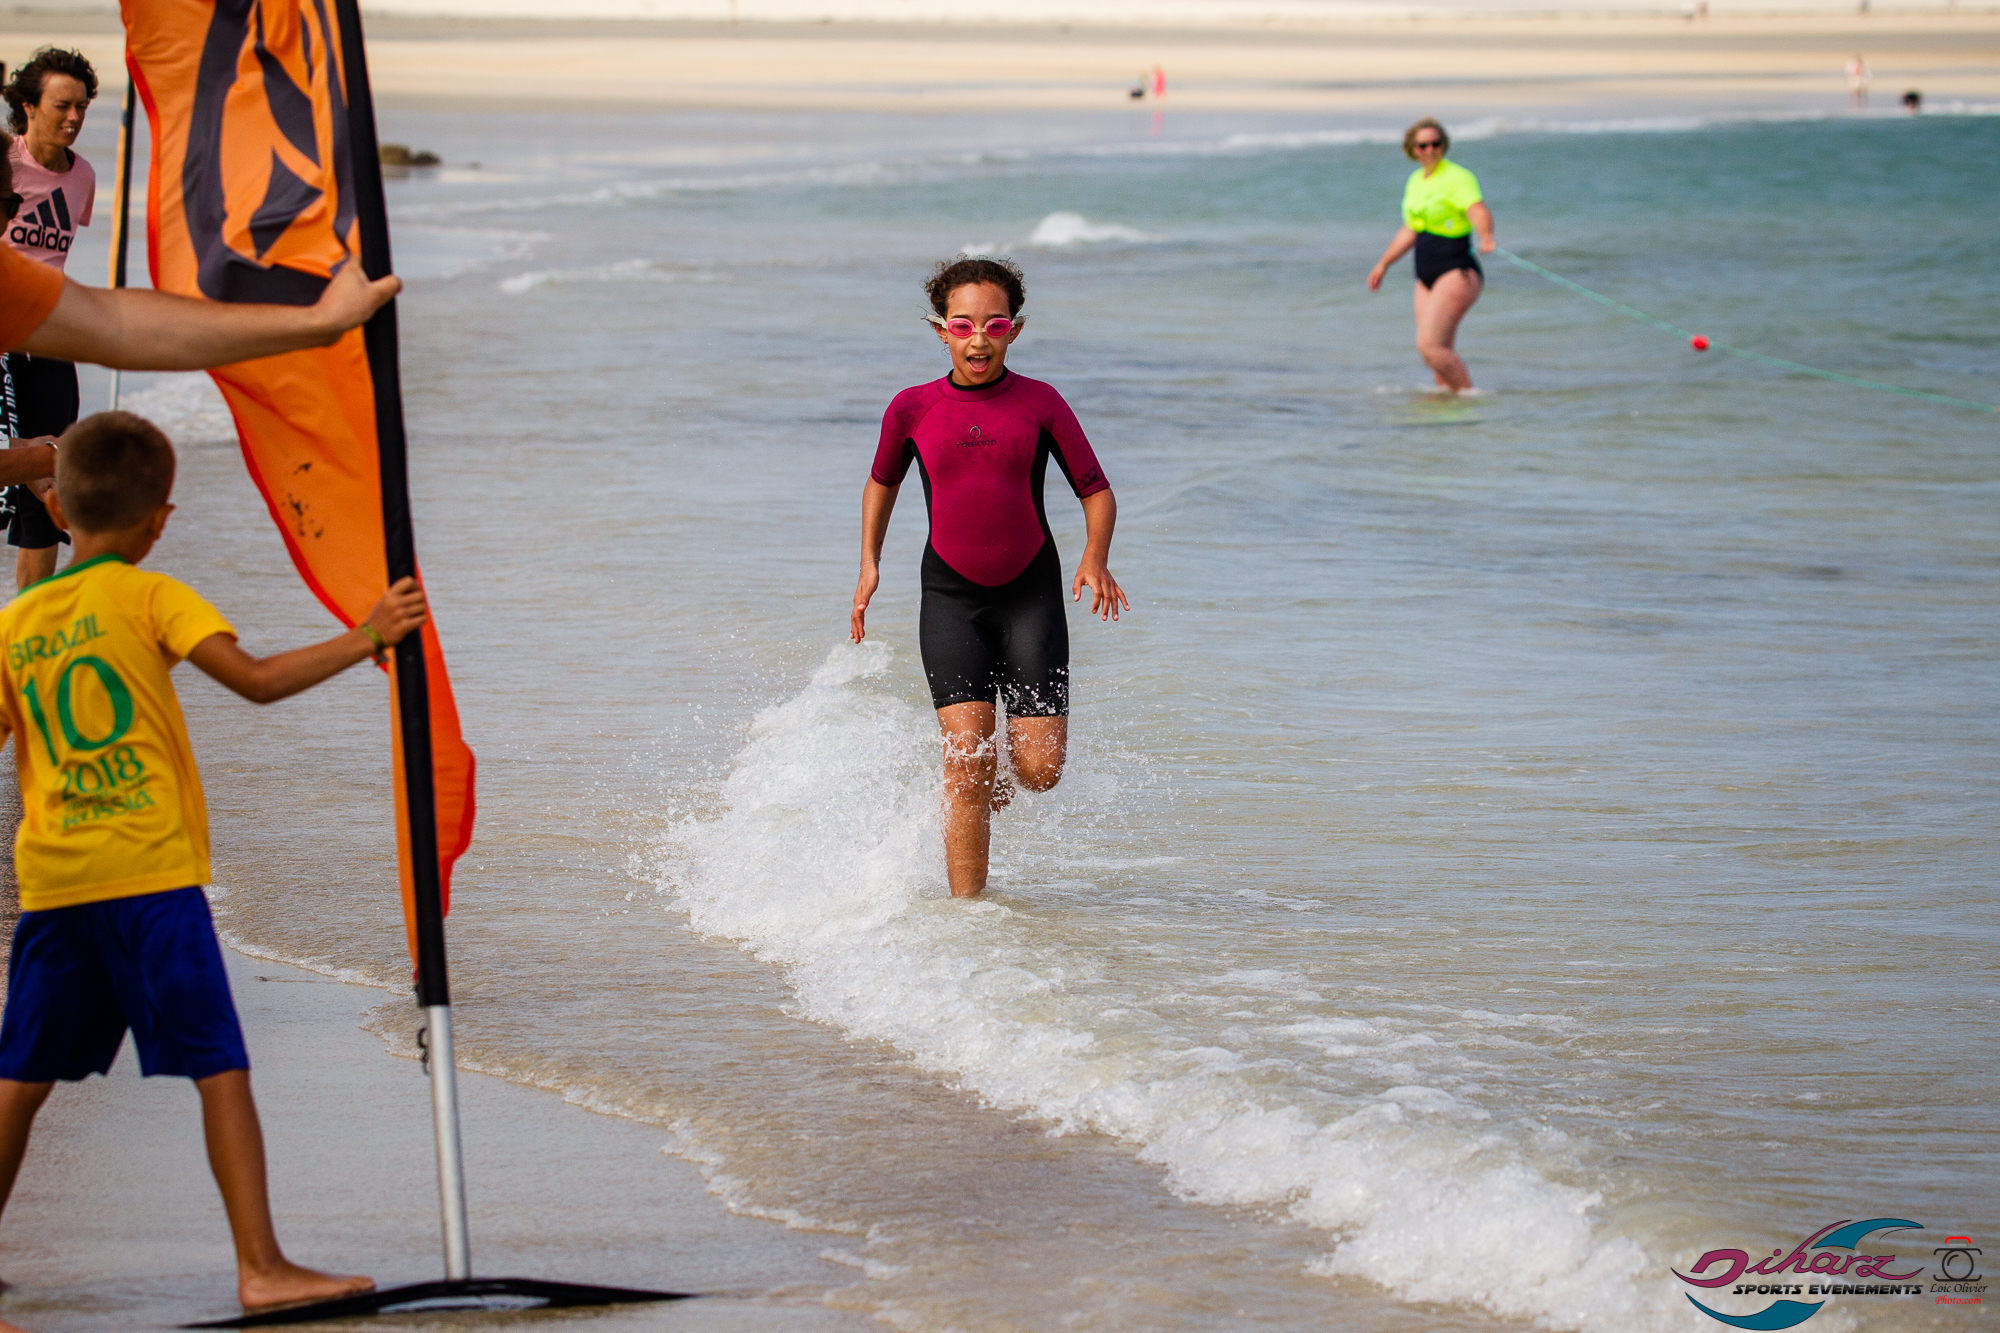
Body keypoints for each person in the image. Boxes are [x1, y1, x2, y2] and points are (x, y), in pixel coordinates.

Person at [0, 412, 426, 1316]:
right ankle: (261, 1267)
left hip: (55, 882)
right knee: (216, 1065)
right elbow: (258, 681)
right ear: (160, 518)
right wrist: (369, 634)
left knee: (21, 1078)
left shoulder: (18, 622)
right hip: (152, 878)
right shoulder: (153, 596)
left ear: (56, 509)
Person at [850, 256, 1128, 900]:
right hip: (951, 598)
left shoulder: (1040, 402)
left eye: (995, 324)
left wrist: (1095, 557)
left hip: (1031, 595)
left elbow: (1096, 491)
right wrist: (869, 562)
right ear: (940, 330)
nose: (979, 338)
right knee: (966, 763)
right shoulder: (912, 408)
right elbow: (881, 483)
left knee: (1040, 770)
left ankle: (982, 776)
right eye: (963, 324)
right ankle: (966, 920)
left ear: (1015, 330)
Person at [4, 49, 98, 591]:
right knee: (17, 471)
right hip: (2, 346)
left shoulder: (82, 176)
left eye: (81, 107)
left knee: (52, 480)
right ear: (28, 106)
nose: (74, 118)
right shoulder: (4, 163)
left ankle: (29, 624)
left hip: (52, 343)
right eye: (62, 106)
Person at [1366, 117, 1496, 393]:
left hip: (1457, 271)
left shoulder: (1457, 177)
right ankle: (1448, 406)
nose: (1430, 150)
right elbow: (1410, 230)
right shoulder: (1415, 181)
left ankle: (1469, 398)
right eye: (1422, 145)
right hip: (1425, 276)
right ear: (1412, 149)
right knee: (1434, 355)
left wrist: (1485, 235)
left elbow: (1476, 210)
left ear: (1443, 145)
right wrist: (1383, 264)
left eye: (1435, 143)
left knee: (1430, 346)